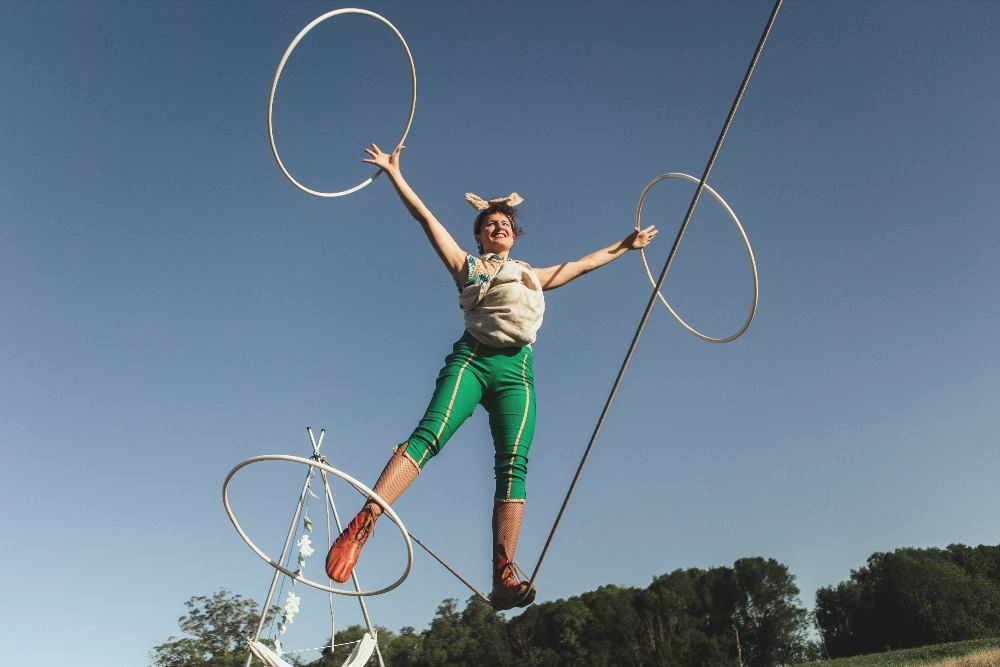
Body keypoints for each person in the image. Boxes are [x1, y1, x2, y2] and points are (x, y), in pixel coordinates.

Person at [325, 143, 658, 610]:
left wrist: (626, 246)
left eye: (505, 225)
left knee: (513, 463)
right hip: (473, 361)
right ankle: (362, 524)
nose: (498, 227)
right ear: (480, 237)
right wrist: (396, 175)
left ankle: (504, 573)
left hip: (516, 371)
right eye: (489, 225)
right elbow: (425, 218)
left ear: (514, 235)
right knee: (428, 435)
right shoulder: (469, 267)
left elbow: (582, 264)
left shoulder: (533, 275)